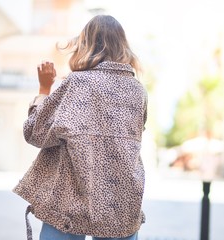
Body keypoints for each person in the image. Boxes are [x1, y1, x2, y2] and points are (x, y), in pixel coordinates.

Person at [13, 15, 148, 240]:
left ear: (86, 44)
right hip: (122, 201)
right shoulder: (138, 91)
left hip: (70, 200)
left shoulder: (77, 84)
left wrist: (44, 89)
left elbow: (35, 133)